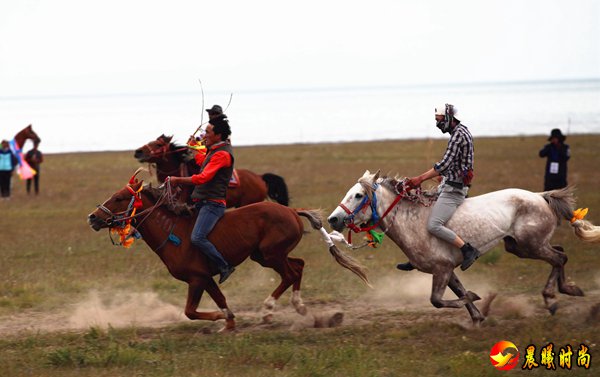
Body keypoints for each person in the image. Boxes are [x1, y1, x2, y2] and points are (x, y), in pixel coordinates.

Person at [396, 104, 480, 272]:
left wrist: (419, 179)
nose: (438, 124)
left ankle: (467, 250)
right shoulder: (461, 131)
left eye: (439, 120)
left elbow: (444, 164)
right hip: (450, 182)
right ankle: (418, 257)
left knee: (433, 225)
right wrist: (444, 176)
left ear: (448, 118)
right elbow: (455, 164)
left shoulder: (457, 136)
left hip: (454, 189)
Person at [168, 114, 236, 284]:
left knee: (197, 237)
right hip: (202, 203)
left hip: (212, 205)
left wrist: (177, 180)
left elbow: (203, 177)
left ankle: (224, 266)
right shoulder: (214, 151)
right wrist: (194, 147)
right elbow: (202, 161)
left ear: (218, 135)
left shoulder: (222, 155)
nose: (204, 135)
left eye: (207, 132)